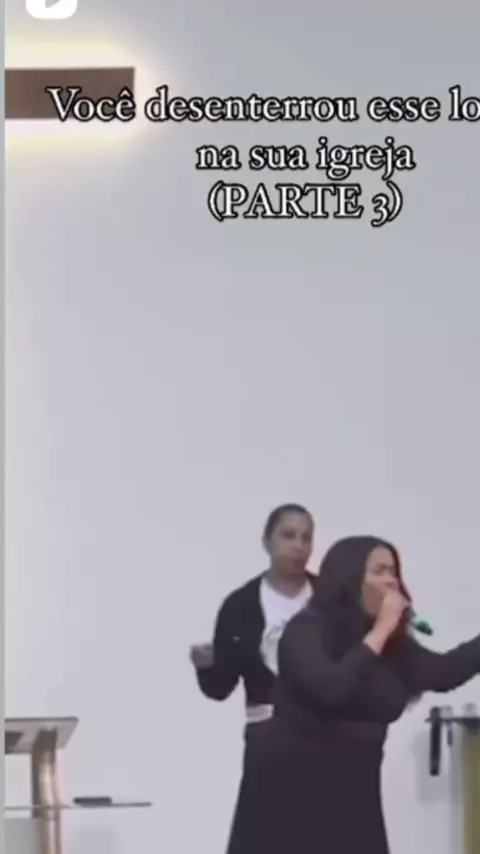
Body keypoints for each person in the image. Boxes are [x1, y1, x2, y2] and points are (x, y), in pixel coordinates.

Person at [226, 535, 480, 854]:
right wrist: (382, 628)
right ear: (349, 578)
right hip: (291, 787)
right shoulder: (307, 630)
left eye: (394, 571)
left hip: (354, 784)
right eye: (379, 571)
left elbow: (443, 674)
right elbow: (333, 690)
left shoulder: (393, 646)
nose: (391, 581)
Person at [190, 503, 315, 725]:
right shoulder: (240, 606)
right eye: (288, 536)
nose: (299, 545)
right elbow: (220, 688)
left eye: (306, 538)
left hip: (328, 730)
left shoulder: (330, 597)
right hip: (269, 731)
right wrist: (206, 666)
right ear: (267, 542)